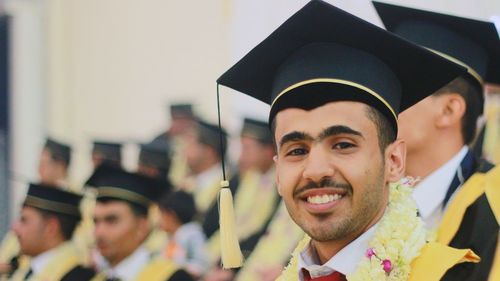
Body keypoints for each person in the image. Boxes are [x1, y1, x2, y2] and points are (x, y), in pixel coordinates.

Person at [216, 1, 479, 280]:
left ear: (394, 161)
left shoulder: (449, 275)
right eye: (296, 150)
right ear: (278, 173)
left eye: (343, 145)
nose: (316, 170)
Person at [373, 2, 500, 280]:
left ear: (449, 110)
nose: (379, 102)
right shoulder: (365, 197)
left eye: (399, 89)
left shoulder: (495, 209)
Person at [89, 166, 193, 281]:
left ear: (141, 227)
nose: (98, 233)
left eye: (111, 221)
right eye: (96, 222)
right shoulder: (98, 278)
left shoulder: (172, 278)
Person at [9, 183, 95, 281]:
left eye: (24, 220)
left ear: (51, 227)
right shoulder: (25, 271)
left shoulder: (76, 277)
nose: (14, 228)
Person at [181, 119, 228, 216]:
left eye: (191, 144)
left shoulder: (227, 186)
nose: (184, 150)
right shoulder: (188, 183)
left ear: (209, 151)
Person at [159, 190, 209, 279]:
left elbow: (202, 264)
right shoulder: (172, 237)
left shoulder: (192, 234)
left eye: (162, 214)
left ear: (171, 216)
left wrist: (178, 268)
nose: (160, 220)